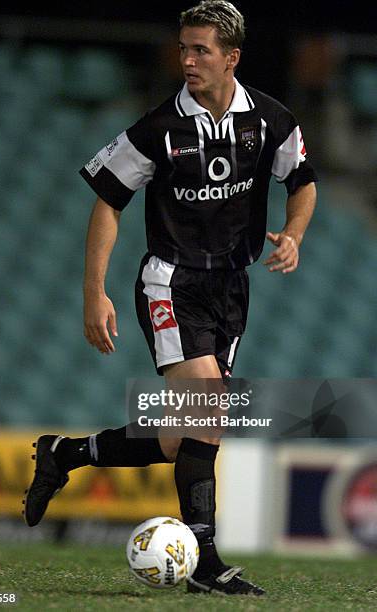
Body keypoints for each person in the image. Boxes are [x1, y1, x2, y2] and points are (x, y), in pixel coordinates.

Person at [23, 0, 317, 596]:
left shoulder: (271, 120)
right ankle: (205, 562)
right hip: (171, 281)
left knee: (184, 435)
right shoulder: (158, 128)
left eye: (201, 49)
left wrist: (294, 235)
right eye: (183, 48)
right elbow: (107, 200)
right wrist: (94, 293)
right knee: (209, 413)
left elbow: (304, 182)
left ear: (231, 56)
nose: (187, 60)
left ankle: (67, 453)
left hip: (231, 289)